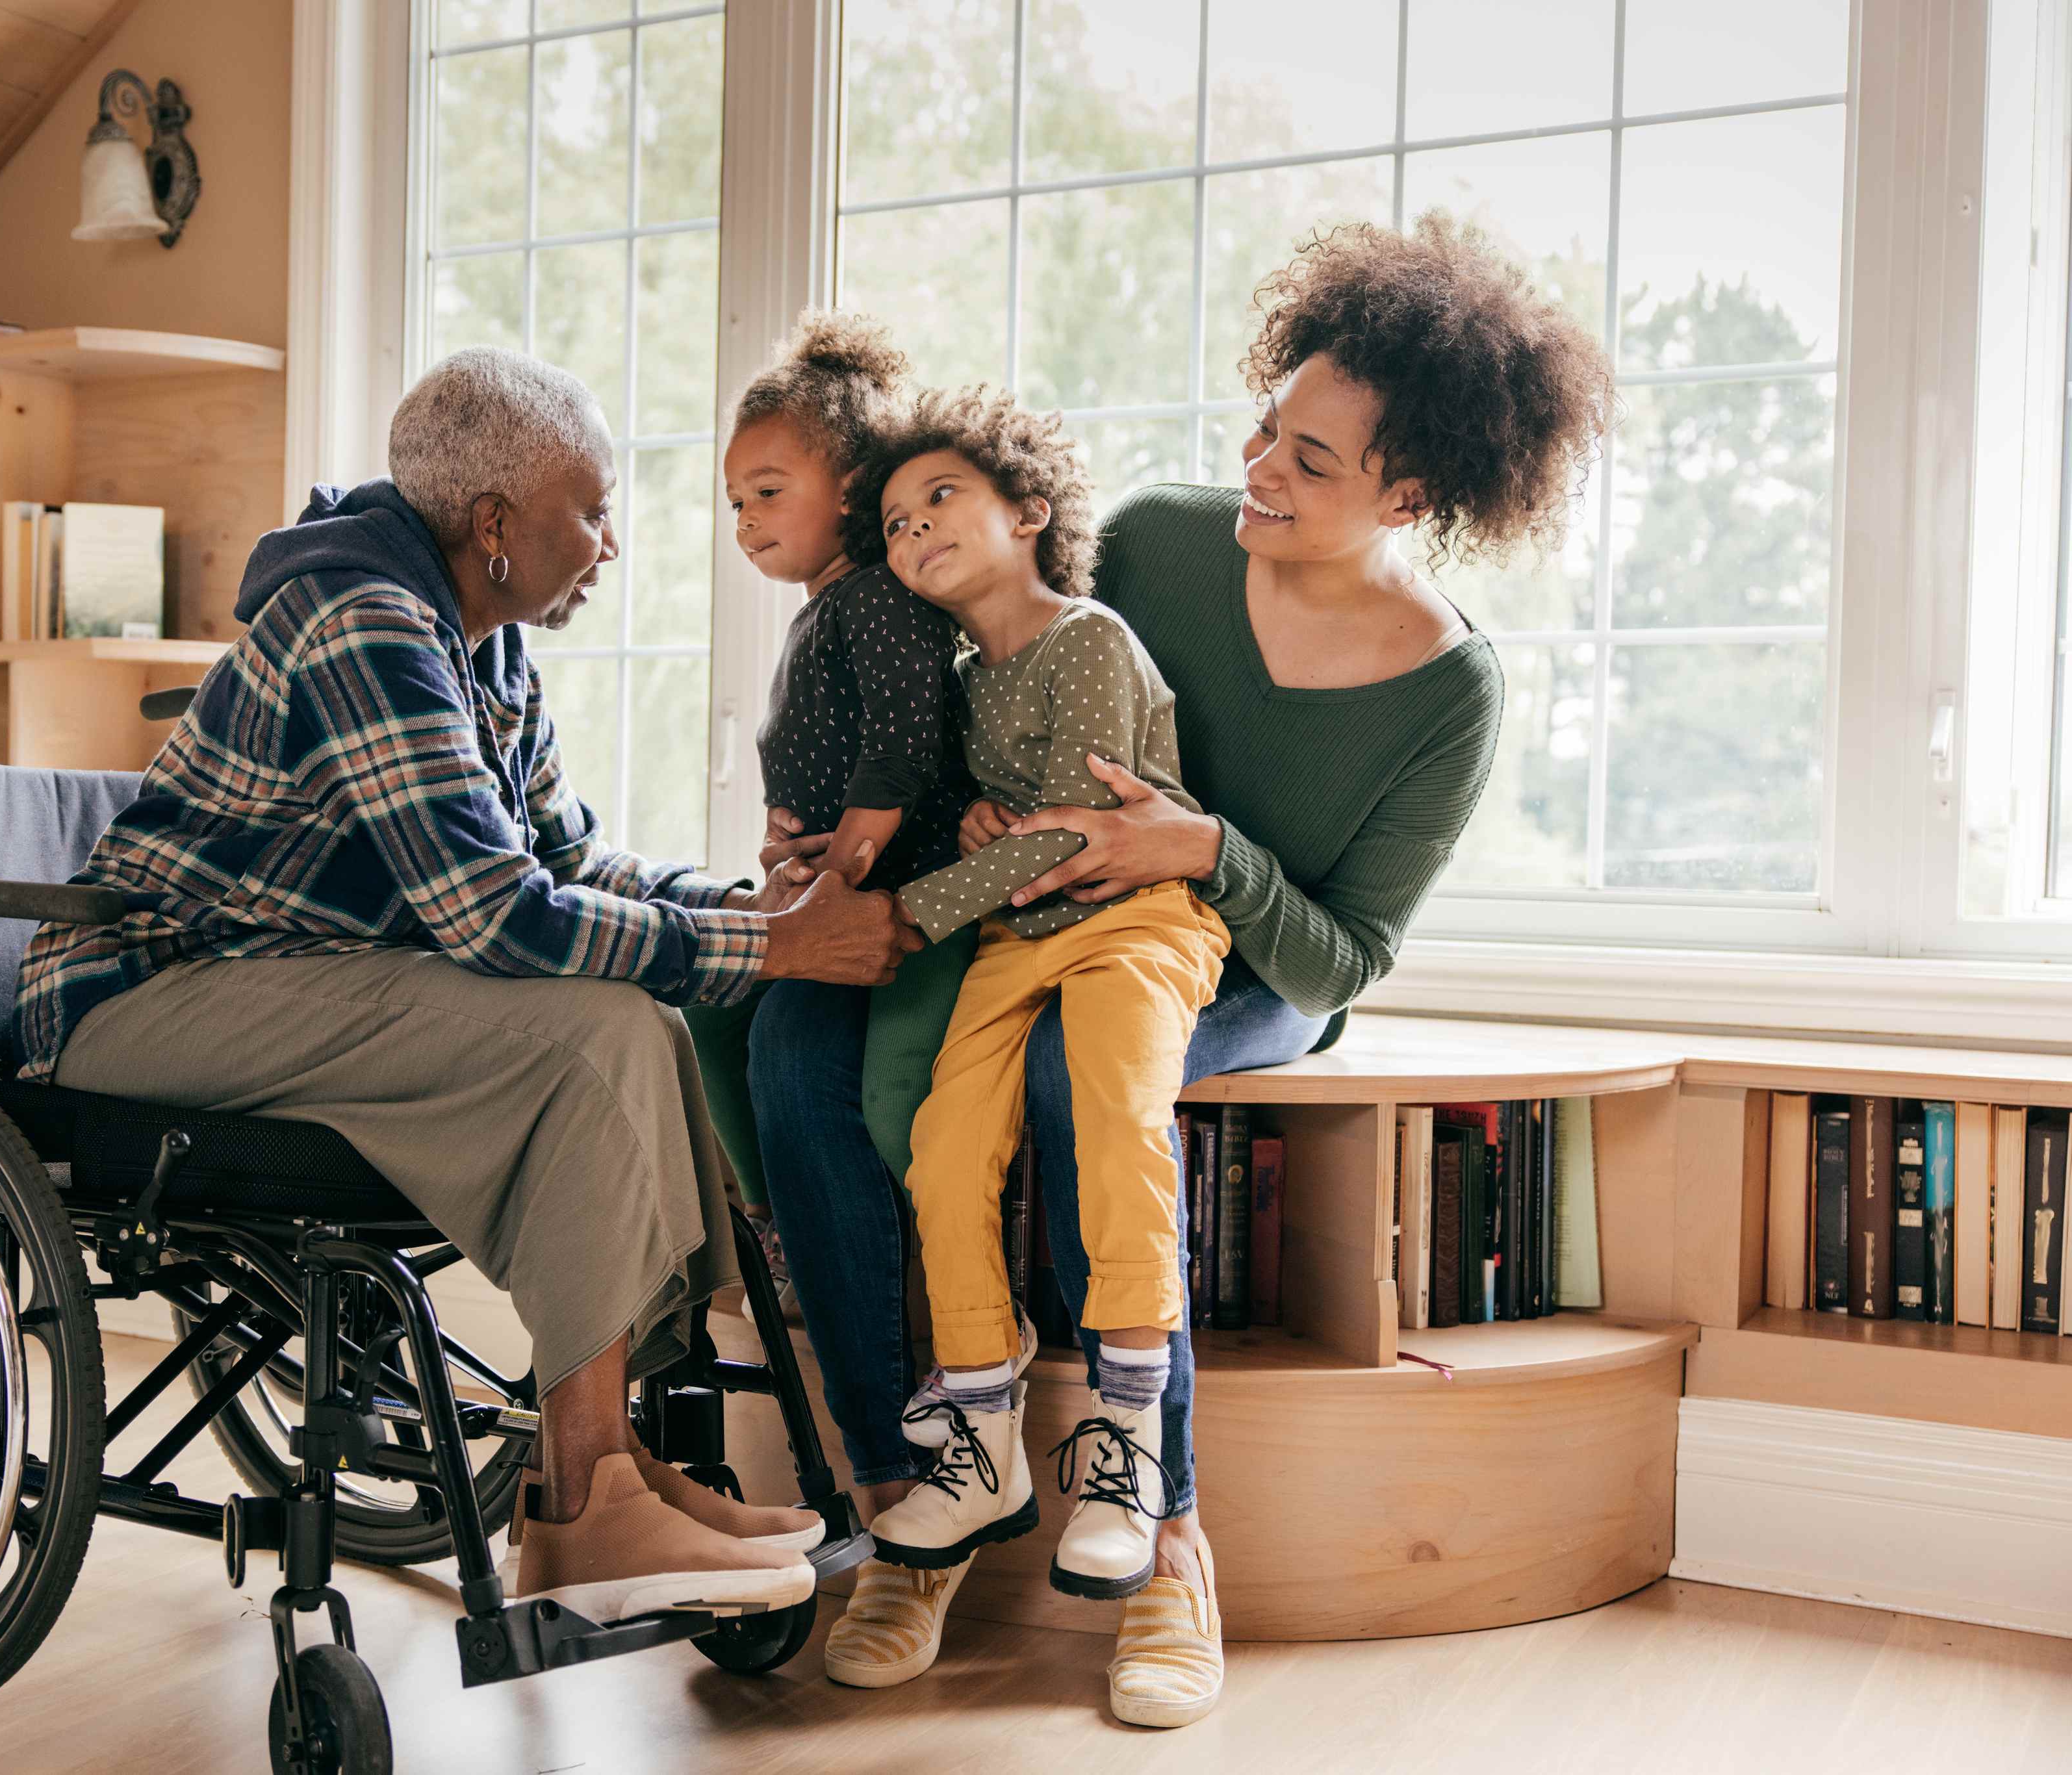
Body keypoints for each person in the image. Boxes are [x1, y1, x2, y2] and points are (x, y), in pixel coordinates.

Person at [752, 214, 1612, 1723]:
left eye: (1312, 464)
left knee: (1076, 1081)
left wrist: (1202, 849)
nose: (1260, 474)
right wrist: (882, 811)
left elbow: (1345, 954)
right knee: (797, 1048)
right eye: (1266, 431)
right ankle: (914, 1490)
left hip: (1239, 957)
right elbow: (988, 699)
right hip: (1041, 910)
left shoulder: (1446, 688)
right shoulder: (1154, 538)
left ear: (1407, 494)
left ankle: (1164, 1541)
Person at [12, 346, 922, 1626]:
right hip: (145, 1004)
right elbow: (489, 916)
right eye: (590, 509)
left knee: (637, 1017)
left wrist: (752, 907)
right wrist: (780, 951)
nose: (610, 542)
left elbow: (562, 861)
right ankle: (587, 1499)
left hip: (291, 984)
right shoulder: (362, 619)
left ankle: (604, 1478)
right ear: (493, 524)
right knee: (598, 1031)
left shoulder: (482, 647)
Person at [849, 390, 1233, 1610]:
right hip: (1018, 940)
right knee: (944, 1149)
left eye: (942, 499)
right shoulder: (960, 682)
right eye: (897, 522)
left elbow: (1073, 835)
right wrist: (966, 827)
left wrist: (913, 911)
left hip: (1135, 924)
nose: (914, 532)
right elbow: (1003, 830)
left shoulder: (1092, 639)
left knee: (1119, 1122)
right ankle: (982, 1437)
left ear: (1030, 512)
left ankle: (1126, 1452)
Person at [680, 311, 982, 1316]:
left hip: (898, 895)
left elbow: (905, 743)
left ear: (852, 486)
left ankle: (913, 1271)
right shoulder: (823, 610)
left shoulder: (881, 602)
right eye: (734, 502)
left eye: (768, 493)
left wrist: (842, 869)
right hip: (824, 887)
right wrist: (781, 849)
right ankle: (771, 1222)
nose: (745, 520)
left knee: (840, 1065)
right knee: (704, 1011)